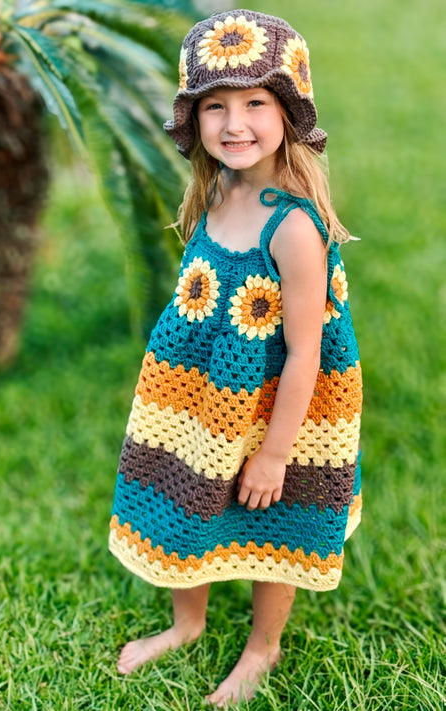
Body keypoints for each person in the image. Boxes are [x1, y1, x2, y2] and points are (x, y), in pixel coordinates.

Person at [109, 9, 362, 706]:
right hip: (197, 396)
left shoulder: (293, 227)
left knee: (268, 525)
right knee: (182, 502)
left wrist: (276, 452)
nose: (233, 123)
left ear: (289, 112)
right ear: (194, 120)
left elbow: (307, 351)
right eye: (214, 106)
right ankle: (184, 624)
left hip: (278, 408)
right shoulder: (217, 189)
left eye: (255, 103)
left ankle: (262, 647)